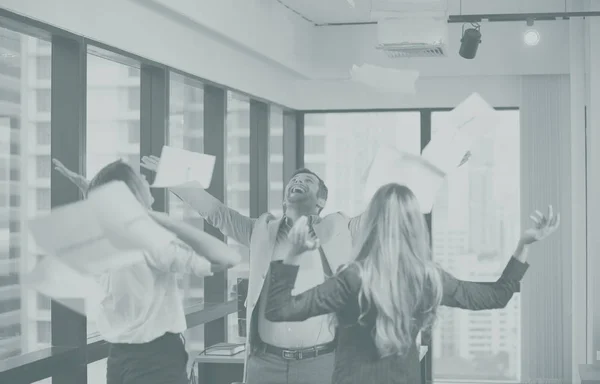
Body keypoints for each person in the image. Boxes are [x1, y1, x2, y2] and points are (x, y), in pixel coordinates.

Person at [53, 154, 513, 384]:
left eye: (308, 182)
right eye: (294, 180)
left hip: (321, 362)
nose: (298, 182)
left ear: (321, 200)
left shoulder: (340, 228)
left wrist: (439, 167)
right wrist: (174, 174)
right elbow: (215, 213)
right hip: (264, 364)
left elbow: (385, 205)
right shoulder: (261, 229)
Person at [264, 184, 560, 384]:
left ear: (372, 223)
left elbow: (279, 310)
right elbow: (496, 296)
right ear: (414, 225)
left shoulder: (354, 277)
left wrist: (293, 252)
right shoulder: (428, 278)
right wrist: (524, 244)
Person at [66, 160, 240, 384]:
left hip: (122, 359)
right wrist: (163, 220)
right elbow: (227, 257)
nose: (147, 180)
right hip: (152, 361)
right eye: (141, 178)